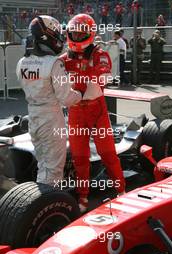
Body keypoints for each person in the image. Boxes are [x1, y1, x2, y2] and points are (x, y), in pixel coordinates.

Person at [60, 14, 125, 213]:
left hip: (97, 111)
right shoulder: (62, 59)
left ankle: (121, 190)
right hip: (75, 112)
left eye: (81, 33)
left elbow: (104, 74)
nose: (77, 37)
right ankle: (83, 197)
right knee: (79, 158)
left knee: (108, 154)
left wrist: (83, 77)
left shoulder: (100, 53)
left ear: (89, 33)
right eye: (74, 33)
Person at [16, 15, 82, 186]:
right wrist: (80, 93)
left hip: (33, 116)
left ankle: (39, 196)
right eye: (57, 33)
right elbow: (66, 98)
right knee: (53, 169)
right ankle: (50, 205)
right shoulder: (54, 63)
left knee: (43, 163)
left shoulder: (21, 63)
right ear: (48, 35)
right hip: (51, 117)